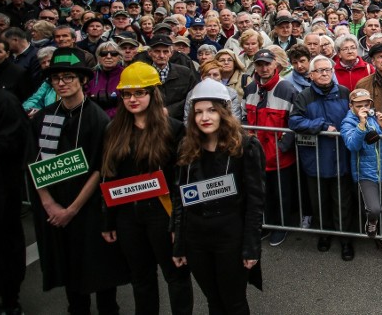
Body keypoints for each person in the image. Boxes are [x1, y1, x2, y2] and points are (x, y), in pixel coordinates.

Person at [29, 47, 129, 314]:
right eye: (56, 78)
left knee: (101, 271)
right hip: (55, 210)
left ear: (83, 80)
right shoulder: (43, 117)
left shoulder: (97, 119)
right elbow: (34, 163)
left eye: (68, 77)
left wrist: (71, 210)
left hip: (89, 210)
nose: (61, 83)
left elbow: (100, 168)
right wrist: (49, 205)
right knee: (70, 272)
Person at [100, 62, 193, 314]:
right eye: (127, 94)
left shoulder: (172, 128)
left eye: (139, 92)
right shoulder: (113, 130)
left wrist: (178, 225)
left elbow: (181, 181)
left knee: (176, 277)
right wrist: (109, 222)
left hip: (162, 215)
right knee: (141, 280)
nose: (132, 99)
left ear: (153, 94)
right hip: (128, 218)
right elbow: (109, 177)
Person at [171, 79, 264, 315]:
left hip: (230, 236)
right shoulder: (186, 146)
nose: (205, 117)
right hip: (197, 237)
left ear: (224, 112)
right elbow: (180, 198)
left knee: (233, 301)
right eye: (199, 112)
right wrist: (179, 244)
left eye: (212, 110)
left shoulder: (245, 146)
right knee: (213, 300)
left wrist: (251, 247)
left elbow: (255, 201)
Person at [288, 55, 356, 261]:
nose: (324, 73)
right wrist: (322, 126)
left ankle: (345, 240)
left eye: (327, 70)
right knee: (319, 201)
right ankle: (324, 235)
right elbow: (294, 121)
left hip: (340, 157)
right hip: (315, 158)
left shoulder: (344, 93)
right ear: (310, 75)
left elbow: (354, 116)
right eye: (319, 70)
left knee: (342, 202)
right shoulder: (304, 96)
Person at [242, 48, 299, 247]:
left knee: (281, 194)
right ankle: (266, 224)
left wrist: (283, 147)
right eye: (259, 64)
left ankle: (281, 226)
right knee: (261, 193)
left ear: (276, 64)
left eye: (267, 64)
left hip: (279, 156)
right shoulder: (250, 89)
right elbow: (244, 117)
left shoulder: (287, 88)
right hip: (256, 154)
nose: (264, 68)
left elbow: (294, 122)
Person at [340, 89, 382, 256]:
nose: (364, 108)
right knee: (374, 208)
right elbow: (352, 145)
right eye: (359, 105)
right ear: (351, 105)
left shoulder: (374, 117)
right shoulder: (348, 122)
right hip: (365, 173)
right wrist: (361, 125)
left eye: (367, 104)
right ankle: (372, 221)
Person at [0, 80, 29, 315]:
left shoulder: (4, 102)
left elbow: (14, 141)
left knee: (4, 242)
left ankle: (10, 300)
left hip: (0, 189)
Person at [86, 41, 124, 118]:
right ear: (98, 58)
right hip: (94, 118)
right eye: (104, 54)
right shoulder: (91, 76)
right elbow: (85, 100)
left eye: (113, 53)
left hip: (119, 120)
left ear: (119, 57)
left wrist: (106, 116)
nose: (109, 56)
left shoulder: (126, 74)